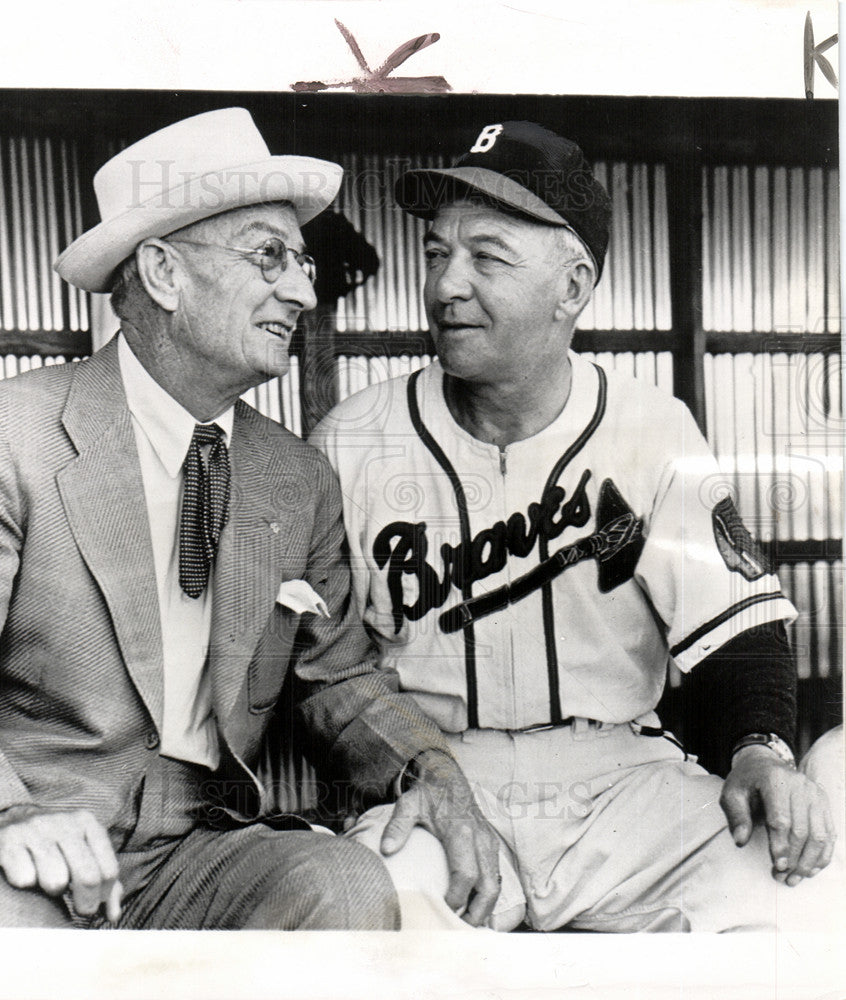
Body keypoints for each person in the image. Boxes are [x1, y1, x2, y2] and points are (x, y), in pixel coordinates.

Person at [0, 107, 483, 930]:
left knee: (343, 889)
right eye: (270, 256)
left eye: (302, 261)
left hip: (200, 850)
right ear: (164, 274)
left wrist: (430, 769)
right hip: (22, 842)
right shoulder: (2, 435)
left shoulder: (295, 475)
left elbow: (338, 676)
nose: (305, 290)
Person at [311, 119, 844, 932]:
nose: (447, 284)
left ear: (572, 285)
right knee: (370, 924)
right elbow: (316, 672)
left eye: (486, 256)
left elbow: (739, 626)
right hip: (443, 778)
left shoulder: (653, 428)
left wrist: (757, 750)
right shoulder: (353, 439)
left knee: (801, 901)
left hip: (625, 780)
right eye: (436, 252)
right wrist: (408, 773)